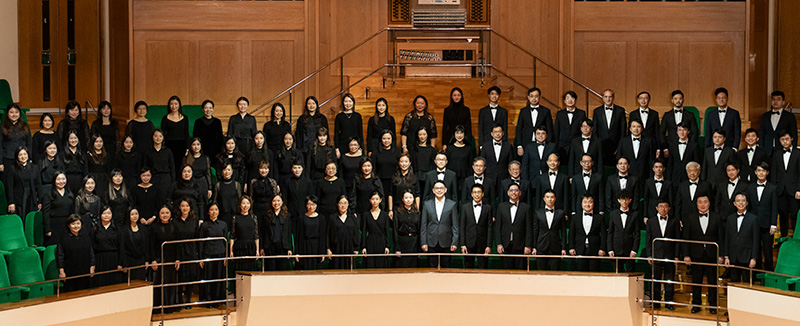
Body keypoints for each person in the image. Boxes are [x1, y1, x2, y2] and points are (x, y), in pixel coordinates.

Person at [682, 195, 723, 315]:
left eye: (705, 202)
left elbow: (721, 237)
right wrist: (686, 255)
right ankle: (696, 304)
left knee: (713, 282)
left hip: (712, 254)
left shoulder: (717, 217)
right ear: (697, 204)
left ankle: (713, 305)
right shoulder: (690, 218)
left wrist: (721, 255)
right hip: (696, 254)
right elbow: (686, 238)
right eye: (700, 202)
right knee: (696, 281)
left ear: (709, 203)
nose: (703, 204)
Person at [645, 200, 680, 310]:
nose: (663, 209)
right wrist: (649, 255)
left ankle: (669, 302)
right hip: (656, 255)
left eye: (665, 206)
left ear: (669, 208)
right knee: (656, 281)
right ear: (656, 208)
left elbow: (677, 240)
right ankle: (656, 302)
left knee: (669, 281)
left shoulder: (674, 221)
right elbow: (648, 240)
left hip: (670, 255)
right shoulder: (651, 221)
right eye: (661, 206)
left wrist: (676, 256)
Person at [420, 180, 459, 268]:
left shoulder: (452, 204)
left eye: (441, 188)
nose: (439, 190)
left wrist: (454, 242)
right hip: (431, 241)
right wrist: (423, 242)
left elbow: (455, 225)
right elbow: (423, 225)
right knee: (431, 268)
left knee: (446, 268)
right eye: (437, 188)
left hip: (446, 241)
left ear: (445, 190)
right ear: (433, 190)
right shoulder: (427, 204)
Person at [746, 162, 778, 271]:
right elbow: (748, 207)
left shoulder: (772, 188)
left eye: (763, 171)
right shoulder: (750, 187)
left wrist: (773, 224)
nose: (761, 173)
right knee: (755, 250)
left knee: (768, 251)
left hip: (767, 225)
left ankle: (769, 274)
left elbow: (774, 208)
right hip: (753, 224)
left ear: (767, 173)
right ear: (755, 172)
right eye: (759, 170)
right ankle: (757, 274)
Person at [770, 130, 800, 238]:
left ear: (792, 139)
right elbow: (774, 173)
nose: (785, 142)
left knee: (795, 215)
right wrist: (773, 190)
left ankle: (796, 239)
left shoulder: (798, 153)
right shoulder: (777, 154)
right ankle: (783, 238)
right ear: (779, 141)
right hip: (780, 190)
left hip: (794, 190)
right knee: (783, 215)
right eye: (782, 140)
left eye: (787, 139)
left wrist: (799, 189)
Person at [494, 183, 531, 270]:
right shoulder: (501, 207)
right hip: (505, 245)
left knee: (521, 272)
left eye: (516, 190)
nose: (514, 192)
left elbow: (529, 228)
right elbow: (498, 227)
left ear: (520, 193)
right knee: (506, 272)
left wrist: (528, 245)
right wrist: (499, 244)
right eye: (511, 190)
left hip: (521, 245)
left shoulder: (526, 207)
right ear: (508, 193)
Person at [723, 193, 759, 283]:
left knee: (747, 283)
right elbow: (727, 238)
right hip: (733, 256)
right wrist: (726, 256)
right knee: (734, 283)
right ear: (734, 203)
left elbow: (756, 240)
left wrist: (754, 258)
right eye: (738, 201)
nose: (741, 203)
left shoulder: (753, 219)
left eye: (743, 201)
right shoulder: (730, 218)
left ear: (747, 203)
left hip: (747, 256)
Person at [150, 206, 178, 313]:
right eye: (162, 213)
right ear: (159, 214)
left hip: (171, 259)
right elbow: (151, 245)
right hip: (159, 259)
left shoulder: (174, 226)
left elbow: (177, 244)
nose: (165, 215)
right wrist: (153, 260)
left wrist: (177, 259)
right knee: (159, 283)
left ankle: (170, 306)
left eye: (167, 212)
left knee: (171, 283)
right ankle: (158, 307)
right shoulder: (154, 227)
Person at [198, 202, 227, 307]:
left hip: (220, 254)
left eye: (216, 209)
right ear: (208, 212)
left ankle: (217, 299)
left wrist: (226, 256)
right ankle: (209, 300)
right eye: (211, 210)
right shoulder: (204, 225)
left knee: (218, 277)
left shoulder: (223, 224)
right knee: (209, 277)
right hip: (208, 254)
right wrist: (201, 258)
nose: (214, 212)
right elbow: (201, 242)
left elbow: (225, 241)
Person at [57, 214, 95, 292]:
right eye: (73, 224)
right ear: (69, 225)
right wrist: (61, 272)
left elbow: (91, 253)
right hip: (70, 272)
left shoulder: (86, 237)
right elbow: (60, 256)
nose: (76, 226)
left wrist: (92, 267)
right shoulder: (63, 239)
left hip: (85, 271)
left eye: (78, 223)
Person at [569, 195, 607, 272]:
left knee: (594, 273)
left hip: (595, 250)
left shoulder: (599, 217)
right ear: (581, 203)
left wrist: (602, 248)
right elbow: (571, 234)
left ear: (593, 203)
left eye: (590, 202)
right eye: (585, 202)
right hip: (579, 249)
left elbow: (604, 235)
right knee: (580, 273)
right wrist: (571, 247)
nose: (587, 204)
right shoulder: (575, 217)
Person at [173, 198, 199, 306]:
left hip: (191, 250)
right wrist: (176, 257)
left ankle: (188, 300)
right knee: (180, 276)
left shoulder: (194, 220)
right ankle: (179, 300)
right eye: (183, 206)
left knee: (190, 276)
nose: (185, 208)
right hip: (179, 251)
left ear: (190, 207)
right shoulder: (175, 221)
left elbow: (197, 237)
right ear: (179, 207)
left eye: (187, 206)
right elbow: (174, 239)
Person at [460, 184, 492, 269]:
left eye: (479, 192)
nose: (477, 194)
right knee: (468, 269)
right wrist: (463, 244)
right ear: (471, 194)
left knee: (483, 269)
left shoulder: (488, 208)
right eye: (474, 192)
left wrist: (488, 245)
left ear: (483, 194)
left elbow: (489, 228)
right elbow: (462, 226)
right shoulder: (465, 207)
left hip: (483, 244)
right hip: (468, 243)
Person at [532, 190, 566, 271]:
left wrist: (563, 248)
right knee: (541, 272)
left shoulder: (561, 213)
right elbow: (535, 231)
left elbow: (563, 232)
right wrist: (534, 247)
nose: (550, 199)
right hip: (541, 246)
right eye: (547, 197)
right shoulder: (538, 212)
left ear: (555, 199)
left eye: (552, 197)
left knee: (555, 272)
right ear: (544, 199)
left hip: (555, 247)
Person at [5, 146, 41, 222]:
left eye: (25, 154)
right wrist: (11, 202)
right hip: (18, 198)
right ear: (17, 156)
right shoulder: (12, 168)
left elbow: (38, 185)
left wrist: (39, 201)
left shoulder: (35, 168)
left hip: (31, 198)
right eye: (20, 155)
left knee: (31, 219)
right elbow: (9, 186)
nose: (23, 156)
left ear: (28, 155)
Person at [607, 189, 639, 273]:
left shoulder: (635, 214)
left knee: (630, 273)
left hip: (629, 250)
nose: (624, 201)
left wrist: (634, 250)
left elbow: (637, 234)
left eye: (626, 199)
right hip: (616, 249)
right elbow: (610, 233)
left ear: (630, 200)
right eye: (622, 199)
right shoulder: (613, 214)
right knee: (617, 274)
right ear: (618, 200)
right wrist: (610, 249)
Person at [592, 89, 628, 167]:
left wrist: (619, 147)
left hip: (616, 148)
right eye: (606, 97)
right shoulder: (597, 111)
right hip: (601, 147)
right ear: (602, 98)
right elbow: (594, 131)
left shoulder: (620, 111)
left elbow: (623, 131)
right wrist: (598, 146)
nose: (608, 99)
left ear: (613, 98)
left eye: (610, 97)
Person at [515, 88, 553, 157]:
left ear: (539, 97)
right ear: (528, 97)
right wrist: (519, 146)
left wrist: (548, 145)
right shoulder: (523, 111)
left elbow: (549, 129)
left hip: (542, 143)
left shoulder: (546, 111)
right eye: (531, 96)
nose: (534, 98)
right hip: (526, 143)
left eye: (536, 96)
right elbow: (519, 129)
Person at [93, 206, 124, 288]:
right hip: (100, 259)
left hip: (114, 258)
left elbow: (121, 246)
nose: (106, 215)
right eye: (104, 213)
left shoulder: (117, 228)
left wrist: (120, 263)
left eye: (108, 213)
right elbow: (92, 247)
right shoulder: (95, 228)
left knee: (113, 284)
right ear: (100, 215)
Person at [759, 91, 797, 157]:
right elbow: (761, 133)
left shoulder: (790, 116)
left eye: (778, 99)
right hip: (767, 150)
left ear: (783, 102)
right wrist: (761, 149)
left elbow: (794, 134)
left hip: (782, 149)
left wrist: (793, 150)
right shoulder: (765, 116)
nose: (775, 101)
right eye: (773, 99)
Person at [260, 195, 293, 271]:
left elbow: (288, 233)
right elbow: (263, 232)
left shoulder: (287, 216)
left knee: (282, 270)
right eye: (274, 201)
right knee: (270, 270)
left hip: (283, 247)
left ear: (282, 202)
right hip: (269, 247)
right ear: (271, 202)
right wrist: (262, 248)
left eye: (278, 201)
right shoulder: (266, 216)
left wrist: (289, 248)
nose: (276, 203)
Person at [326, 195, 359, 270]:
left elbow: (356, 233)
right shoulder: (332, 217)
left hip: (349, 248)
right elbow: (328, 234)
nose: (343, 205)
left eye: (345, 203)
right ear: (337, 204)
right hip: (336, 248)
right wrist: (328, 248)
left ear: (348, 204)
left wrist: (356, 248)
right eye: (341, 203)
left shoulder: (353, 217)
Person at [42, 172, 74, 245]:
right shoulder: (49, 195)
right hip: (54, 225)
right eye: (58, 179)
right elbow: (45, 213)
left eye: (63, 179)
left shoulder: (69, 194)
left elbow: (72, 211)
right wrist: (47, 229)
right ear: (54, 180)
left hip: (67, 225)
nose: (61, 181)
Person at [296, 195, 327, 270]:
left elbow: (323, 236)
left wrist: (322, 252)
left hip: (317, 246)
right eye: (309, 204)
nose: (311, 207)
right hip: (305, 246)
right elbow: (298, 236)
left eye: (313, 204)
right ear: (306, 205)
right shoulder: (301, 218)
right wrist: (297, 253)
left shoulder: (321, 218)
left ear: (316, 205)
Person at [230, 196, 260, 272]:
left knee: (251, 270)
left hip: (251, 247)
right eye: (243, 203)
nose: (245, 205)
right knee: (239, 271)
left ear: (250, 205)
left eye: (248, 203)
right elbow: (232, 236)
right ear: (239, 205)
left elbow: (256, 235)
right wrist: (231, 251)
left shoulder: (254, 218)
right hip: (239, 247)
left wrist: (257, 250)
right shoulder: (235, 218)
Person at [361, 192, 391, 269]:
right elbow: (364, 231)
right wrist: (363, 247)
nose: (375, 201)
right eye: (373, 199)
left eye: (377, 199)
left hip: (381, 242)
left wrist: (387, 246)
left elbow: (387, 232)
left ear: (380, 200)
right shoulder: (366, 215)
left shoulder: (384, 215)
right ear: (370, 200)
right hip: (370, 242)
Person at [553, 91, 586, 158]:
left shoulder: (581, 113)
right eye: (567, 98)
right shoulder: (560, 114)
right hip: (562, 145)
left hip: (577, 145)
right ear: (564, 101)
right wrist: (556, 146)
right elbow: (556, 130)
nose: (570, 100)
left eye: (572, 98)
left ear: (575, 100)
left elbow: (583, 129)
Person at [161, 96, 190, 171]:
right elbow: (162, 134)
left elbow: (186, 133)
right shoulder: (165, 118)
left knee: (180, 165)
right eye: (171, 104)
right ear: (169, 105)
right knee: (170, 164)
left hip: (181, 145)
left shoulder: (185, 118)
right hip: (169, 145)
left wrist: (187, 148)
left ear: (179, 105)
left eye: (176, 104)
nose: (174, 106)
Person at [714, 162, 747, 230]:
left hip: (737, 218)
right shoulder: (721, 185)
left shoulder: (744, 186)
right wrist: (718, 215)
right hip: (723, 219)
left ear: (738, 170)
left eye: (733, 170)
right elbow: (717, 202)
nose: (731, 172)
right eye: (728, 170)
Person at [142, 129, 175, 195]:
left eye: (160, 136)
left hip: (166, 178)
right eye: (156, 136)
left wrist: (173, 181)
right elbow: (145, 167)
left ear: (163, 138)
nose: (158, 138)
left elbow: (172, 167)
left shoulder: (168, 151)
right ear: (152, 137)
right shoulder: (148, 152)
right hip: (153, 178)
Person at [570, 154, 603, 218]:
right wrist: (573, 210)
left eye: (589, 161)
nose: (586, 163)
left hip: (595, 209)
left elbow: (601, 195)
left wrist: (601, 210)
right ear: (581, 163)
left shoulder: (599, 177)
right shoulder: (575, 178)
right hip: (579, 209)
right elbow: (573, 196)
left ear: (592, 163)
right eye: (584, 161)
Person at [444, 126, 474, 197]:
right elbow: (446, 164)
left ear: (464, 134)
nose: (459, 135)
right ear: (454, 134)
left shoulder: (469, 148)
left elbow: (471, 164)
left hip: (465, 177)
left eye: (461, 133)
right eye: (457, 133)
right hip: (452, 177)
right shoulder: (449, 148)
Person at [393, 190, 420, 268]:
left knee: (413, 267)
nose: (408, 200)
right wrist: (397, 248)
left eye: (410, 197)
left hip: (414, 242)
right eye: (406, 198)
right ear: (402, 199)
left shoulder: (417, 212)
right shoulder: (398, 212)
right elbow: (395, 229)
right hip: (402, 241)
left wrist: (419, 249)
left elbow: (419, 230)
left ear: (413, 199)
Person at [122, 208, 150, 281]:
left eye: (136, 214)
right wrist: (124, 264)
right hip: (129, 261)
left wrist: (147, 260)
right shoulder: (124, 230)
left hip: (141, 260)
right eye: (132, 214)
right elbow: (122, 248)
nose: (135, 216)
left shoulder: (143, 228)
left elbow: (146, 245)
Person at [183, 138, 213, 208]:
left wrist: (210, 188)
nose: (196, 147)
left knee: (204, 204)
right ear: (191, 146)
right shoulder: (187, 158)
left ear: (201, 146)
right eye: (194, 144)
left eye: (198, 144)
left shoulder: (205, 158)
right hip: (191, 183)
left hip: (202, 182)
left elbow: (208, 173)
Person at [372, 130, 401, 199]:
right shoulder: (376, 152)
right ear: (381, 139)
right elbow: (373, 168)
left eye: (388, 138)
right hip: (380, 181)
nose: (386, 141)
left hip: (394, 181)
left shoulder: (397, 152)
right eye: (384, 138)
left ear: (392, 139)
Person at [2, 104, 32, 169]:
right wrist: (0, 163)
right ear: (7, 113)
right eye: (11, 112)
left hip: (22, 158)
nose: (14, 114)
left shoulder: (25, 126)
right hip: (8, 158)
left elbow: (29, 143)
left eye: (16, 112)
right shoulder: (2, 127)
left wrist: (29, 157)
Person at [642, 160, 673, 224]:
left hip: (664, 213)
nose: (658, 169)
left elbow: (671, 200)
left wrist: (670, 214)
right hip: (651, 213)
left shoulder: (668, 183)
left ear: (663, 169)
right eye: (656, 167)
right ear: (653, 169)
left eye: (660, 167)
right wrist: (645, 215)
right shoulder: (648, 182)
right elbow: (646, 200)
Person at [333, 93, 363, 158]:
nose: (348, 104)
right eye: (346, 101)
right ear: (343, 103)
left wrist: (361, 147)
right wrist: (336, 148)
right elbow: (336, 133)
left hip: (355, 146)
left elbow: (360, 133)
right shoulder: (339, 116)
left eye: (350, 101)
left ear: (353, 103)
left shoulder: (358, 116)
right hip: (342, 145)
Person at [213, 163, 242, 228]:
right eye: (225, 170)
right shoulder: (218, 185)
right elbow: (215, 201)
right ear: (222, 172)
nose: (227, 172)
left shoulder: (237, 184)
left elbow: (240, 200)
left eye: (229, 170)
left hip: (234, 214)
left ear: (232, 171)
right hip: (222, 215)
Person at [63, 130, 88, 195]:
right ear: (67, 140)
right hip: (67, 180)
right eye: (71, 138)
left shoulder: (83, 154)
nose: (73, 140)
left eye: (75, 138)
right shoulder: (62, 154)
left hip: (80, 180)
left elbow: (85, 170)